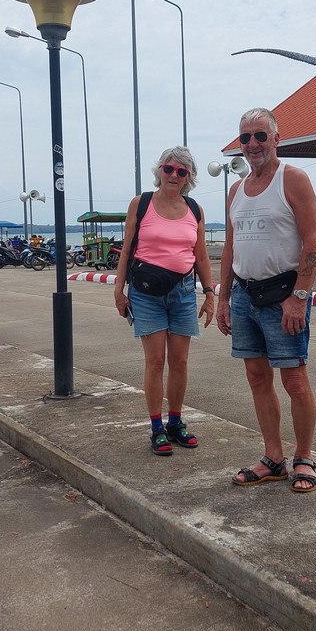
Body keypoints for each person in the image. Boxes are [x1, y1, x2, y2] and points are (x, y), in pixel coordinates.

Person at [217, 108, 316, 493]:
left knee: (294, 379)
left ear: (276, 138)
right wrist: (223, 297)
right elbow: (230, 247)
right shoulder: (236, 189)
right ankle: (273, 458)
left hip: (283, 297)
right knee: (257, 377)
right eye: (245, 138)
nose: (252, 145)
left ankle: (304, 457)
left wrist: (299, 298)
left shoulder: (292, 179)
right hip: (244, 296)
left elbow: (313, 241)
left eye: (260, 136)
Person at [113, 147, 215, 456]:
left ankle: (175, 422)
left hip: (183, 291)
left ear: (189, 177)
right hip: (146, 294)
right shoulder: (141, 204)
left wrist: (209, 292)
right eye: (169, 169)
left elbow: (200, 255)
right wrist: (119, 288)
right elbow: (127, 248)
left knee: (180, 362)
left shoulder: (194, 209)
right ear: (160, 171)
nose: (173, 175)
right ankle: (156, 427)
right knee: (155, 360)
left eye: (181, 171)